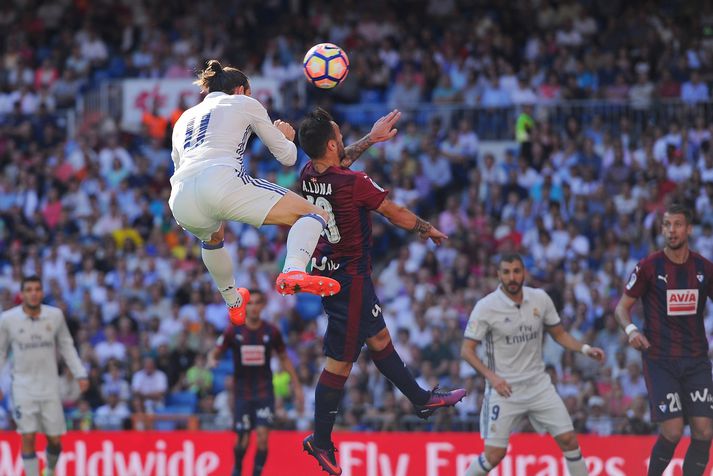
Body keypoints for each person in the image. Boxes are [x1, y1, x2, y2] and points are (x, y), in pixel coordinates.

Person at [297, 108, 466, 475]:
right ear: (330, 142)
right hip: (349, 280)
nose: (343, 141)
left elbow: (337, 161)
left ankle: (420, 400)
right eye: (339, 136)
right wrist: (426, 228)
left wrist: (372, 138)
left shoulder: (308, 173)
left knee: (380, 338)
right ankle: (320, 440)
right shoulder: (354, 183)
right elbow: (394, 212)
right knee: (340, 362)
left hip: (339, 271)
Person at [168, 60, 340, 327]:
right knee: (314, 213)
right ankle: (294, 270)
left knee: (213, 237)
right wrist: (286, 137)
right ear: (240, 90)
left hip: (179, 197)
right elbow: (287, 157)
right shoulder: (244, 103)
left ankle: (234, 302)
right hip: (220, 180)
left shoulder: (183, 119)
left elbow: (181, 166)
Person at [460, 254, 604, 476]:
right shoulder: (486, 307)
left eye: (516, 271)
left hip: (539, 385)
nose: (512, 277)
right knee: (494, 454)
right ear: (498, 275)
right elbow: (466, 351)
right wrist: (493, 378)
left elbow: (559, 334)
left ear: (524, 273)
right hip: (505, 389)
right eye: (506, 272)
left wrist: (584, 349)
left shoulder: (540, 299)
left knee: (568, 439)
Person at [614, 204, 713, 476]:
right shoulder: (648, 266)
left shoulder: (704, 267)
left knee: (704, 430)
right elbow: (622, 308)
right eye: (667, 225)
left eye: (678, 224)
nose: (672, 230)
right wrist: (632, 330)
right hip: (660, 360)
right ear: (662, 229)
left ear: (689, 229)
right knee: (672, 431)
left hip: (696, 360)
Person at [208, 289, 303, 476]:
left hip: (264, 391)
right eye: (249, 303)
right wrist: (212, 359)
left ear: (263, 305)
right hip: (242, 392)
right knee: (242, 440)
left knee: (262, 438)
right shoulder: (233, 330)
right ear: (244, 306)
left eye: (257, 303)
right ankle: (237, 467)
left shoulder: (271, 331)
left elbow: (284, 358)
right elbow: (216, 351)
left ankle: (256, 473)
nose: (253, 307)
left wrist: (297, 385)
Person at [0, 276, 89, 476]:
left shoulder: (55, 316)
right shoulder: (8, 319)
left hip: (50, 386)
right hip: (22, 386)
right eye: (29, 289)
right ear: (22, 294)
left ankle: (49, 470)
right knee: (28, 436)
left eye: (37, 289)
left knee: (55, 440)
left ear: (42, 293)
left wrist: (80, 373)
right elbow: (1, 352)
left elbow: (67, 346)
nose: (33, 293)